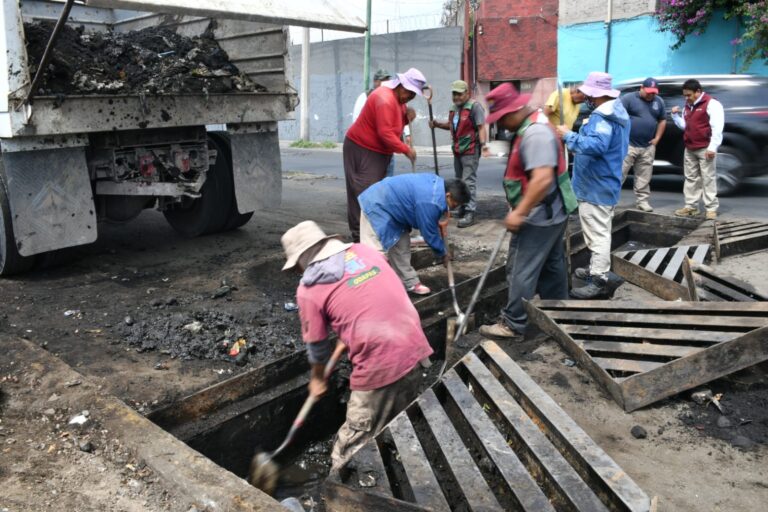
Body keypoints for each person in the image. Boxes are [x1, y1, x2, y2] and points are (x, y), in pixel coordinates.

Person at [281, 221, 433, 471]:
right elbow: (373, 297)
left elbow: (317, 347)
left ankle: (340, 493)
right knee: (398, 421)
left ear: (303, 258)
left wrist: (318, 379)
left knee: (352, 445)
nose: (298, 271)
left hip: (380, 361)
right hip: (413, 345)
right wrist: (349, 336)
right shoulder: (365, 252)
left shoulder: (310, 288)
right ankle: (394, 467)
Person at [478, 83, 578, 340]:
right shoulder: (534, 126)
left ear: (514, 111)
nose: (501, 125)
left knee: (521, 268)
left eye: (501, 118)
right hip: (553, 213)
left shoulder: (535, 135)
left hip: (539, 216)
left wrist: (519, 212)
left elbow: (542, 179)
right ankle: (560, 313)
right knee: (552, 265)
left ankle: (513, 323)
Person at [556, 72, 630, 299]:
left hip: (596, 184)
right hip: (603, 181)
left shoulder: (603, 117)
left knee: (597, 234)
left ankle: (599, 279)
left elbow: (596, 146)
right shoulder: (616, 112)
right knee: (600, 230)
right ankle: (597, 268)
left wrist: (569, 136)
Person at [344, 68, 426, 242]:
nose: (409, 98)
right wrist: (406, 149)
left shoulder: (398, 99)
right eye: (409, 94)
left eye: (413, 96)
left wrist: (406, 117)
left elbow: (393, 123)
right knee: (363, 193)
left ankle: (373, 234)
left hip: (380, 152)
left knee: (377, 194)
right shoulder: (384, 98)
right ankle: (361, 238)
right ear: (401, 85)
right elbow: (385, 133)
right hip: (362, 148)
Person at [358, 174, 470, 295]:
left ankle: (409, 282)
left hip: (395, 209)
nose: (453, 208)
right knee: (374, 253)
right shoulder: (431, 201)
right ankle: (370, 291)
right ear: (448, 195)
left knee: (402, 247)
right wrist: (442, 253)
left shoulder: (438, 187)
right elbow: (429, 234)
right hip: (376, 204)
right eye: (454, 205)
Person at [429, 80, 489, 228]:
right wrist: (436, 124)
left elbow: (481, 127)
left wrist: (484, 145)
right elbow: (451, 126)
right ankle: (462, 207)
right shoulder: (454, 109)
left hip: (470, 149)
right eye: (454, 94)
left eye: (459, 94)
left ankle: (470, 212)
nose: (456, 97)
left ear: (467, 93)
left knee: (468, 181)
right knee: (459, 181)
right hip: (457, 149)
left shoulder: (474, 107)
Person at [670, 78, 724, 220]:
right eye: (685, 95)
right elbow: (685, 126)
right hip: (689, 148)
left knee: (708, 178)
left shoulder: (712, 104)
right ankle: (691, 207)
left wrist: (712, 147)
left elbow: (717, 127)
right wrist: (675, 116)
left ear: (698, 91)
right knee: (691, 178)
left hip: (705, 148)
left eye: (689, 95)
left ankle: (711, 208)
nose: (686, 98)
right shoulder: (688, 106)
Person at [352, 69, 411, 178]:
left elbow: (400, 118)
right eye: (383, 80)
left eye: (387, 80)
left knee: (387, 178)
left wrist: (407, 133)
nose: (386, 83)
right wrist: (406, 150)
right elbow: (357, 120)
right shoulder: (365, 97)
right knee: (371, 180)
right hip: (370, 147)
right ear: (375, 82)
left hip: (388, 145)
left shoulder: (394, 97)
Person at [620, 77, 667, 212]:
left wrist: (657, 138)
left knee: (644, 176)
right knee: (618, 174)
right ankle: (609, 202)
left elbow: (662, 120)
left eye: (653, 92)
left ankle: (642, 201)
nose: (651, 95)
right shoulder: (628, 99)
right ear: (641, 88)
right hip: (628, 145)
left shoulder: (659, 101)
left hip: (647, 146)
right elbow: (617, 117)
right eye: (648, 92)